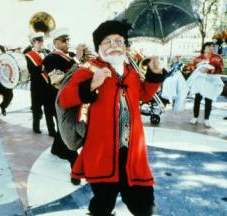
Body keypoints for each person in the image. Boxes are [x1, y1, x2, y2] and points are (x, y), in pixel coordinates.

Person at [59, 20, 166, 216]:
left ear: (125, 46)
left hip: (133, 154)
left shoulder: (131, 72)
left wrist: (155, 74)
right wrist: (92, 84)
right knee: (102, 205)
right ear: (99, 47)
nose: (114, 45)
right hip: (102, 154)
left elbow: (143, 95)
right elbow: (64, 99)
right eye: (108, 41)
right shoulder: (87, 69)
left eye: (119, 40)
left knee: (145, 206)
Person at [43, 28, 85, 185]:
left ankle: (57, 149)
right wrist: (79, 62)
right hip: (58, 100)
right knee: (68, 131)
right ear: (55, 42)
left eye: (68, 39)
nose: (68, 42)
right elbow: (58, 82)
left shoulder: (71, 57)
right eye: (63, 40)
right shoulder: (50, 59)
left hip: (74, 99)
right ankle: (75, 165)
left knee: (63, 131)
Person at [188, 41, 224, 128]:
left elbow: (222, 69)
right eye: (209, 46)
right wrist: (196, 68)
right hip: (200, 80)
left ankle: (206, 119)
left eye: (212, 46)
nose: (211, 48)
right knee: (197, 99)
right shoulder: (198, 58)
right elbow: (191, 67)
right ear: (204, 48)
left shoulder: (218, 57)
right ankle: (195, 117)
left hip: (211, 80)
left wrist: (211, 70)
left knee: (209, 99)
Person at [25, 32, 54, 135]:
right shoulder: (28, 55)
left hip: (48, 86)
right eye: (38, 42)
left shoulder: (47, 52)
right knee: (37, 109)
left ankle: (51, 130)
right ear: (33, 42)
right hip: (37, 87)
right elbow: (31, 70)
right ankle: (36, 127)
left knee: (49, 110)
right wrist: (43, 67)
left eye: (42, 41)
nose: (41, 43)